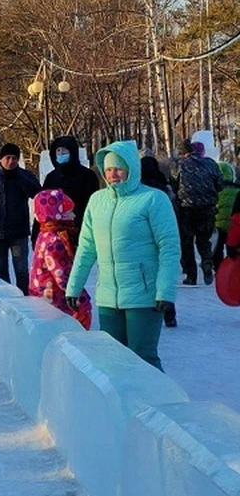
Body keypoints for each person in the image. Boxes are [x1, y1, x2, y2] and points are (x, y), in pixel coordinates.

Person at [65, 141, 179, 371]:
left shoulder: (153, 199)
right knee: (112, 361)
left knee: (142, 358)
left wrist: (165, 291)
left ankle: (157, 404)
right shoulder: (97, 201)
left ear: (131, 168)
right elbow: (87, 247)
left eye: (118, 168)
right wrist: (73, 287)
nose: (113, 174)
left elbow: (169, 247)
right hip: (108, 296)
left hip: (144, 296)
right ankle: (120, 408)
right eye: (108, 169)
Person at [0, 142, 41, 294]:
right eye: (8, 158)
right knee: (0, 272)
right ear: (1, 158)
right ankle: (6, 304)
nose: (11, 161)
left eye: (14, 158)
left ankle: (24, 301)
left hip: (19, 232)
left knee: (22, 271)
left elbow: (38, 194)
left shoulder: (24, 176)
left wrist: (22, 180)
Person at [29, 190, 91, 329]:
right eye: (69, 212)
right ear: (56, 213)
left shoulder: (44, 234)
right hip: (54, 301)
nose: (74, 215)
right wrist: (80, 297)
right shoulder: (54, 241)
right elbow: (62, 275)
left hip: (43, 297)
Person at [32, 136, 100, 249]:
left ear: (72, 152)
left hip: (78, 233)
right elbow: (42, 207)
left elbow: (92, 206)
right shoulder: (51, 177)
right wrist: (36, 235)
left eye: (64, 150)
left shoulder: (87, 176)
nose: (61, 153)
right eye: (58, 151)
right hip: (52, 236)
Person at [171, 140, 223, 285]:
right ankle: (207, 262)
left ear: (183, 152)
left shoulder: (179, 165)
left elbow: (174, 186)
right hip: (207, 208)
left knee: (186, 242)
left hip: (186, 209)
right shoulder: (211, 163)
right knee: (204, 240)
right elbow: (220, 184)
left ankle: (191, 275)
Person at [141, 155, 179, 328]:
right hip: (162, 236)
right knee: (164, 275)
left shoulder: (139, 189)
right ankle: (169, 313)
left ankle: (152, 309)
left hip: (144, 241)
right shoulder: (163, 187)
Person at [213, 162, 240, 271]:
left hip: (218, 225)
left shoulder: (215, 190)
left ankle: (218, 268)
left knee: (217, 248)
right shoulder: (237, 190)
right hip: (234, 225)